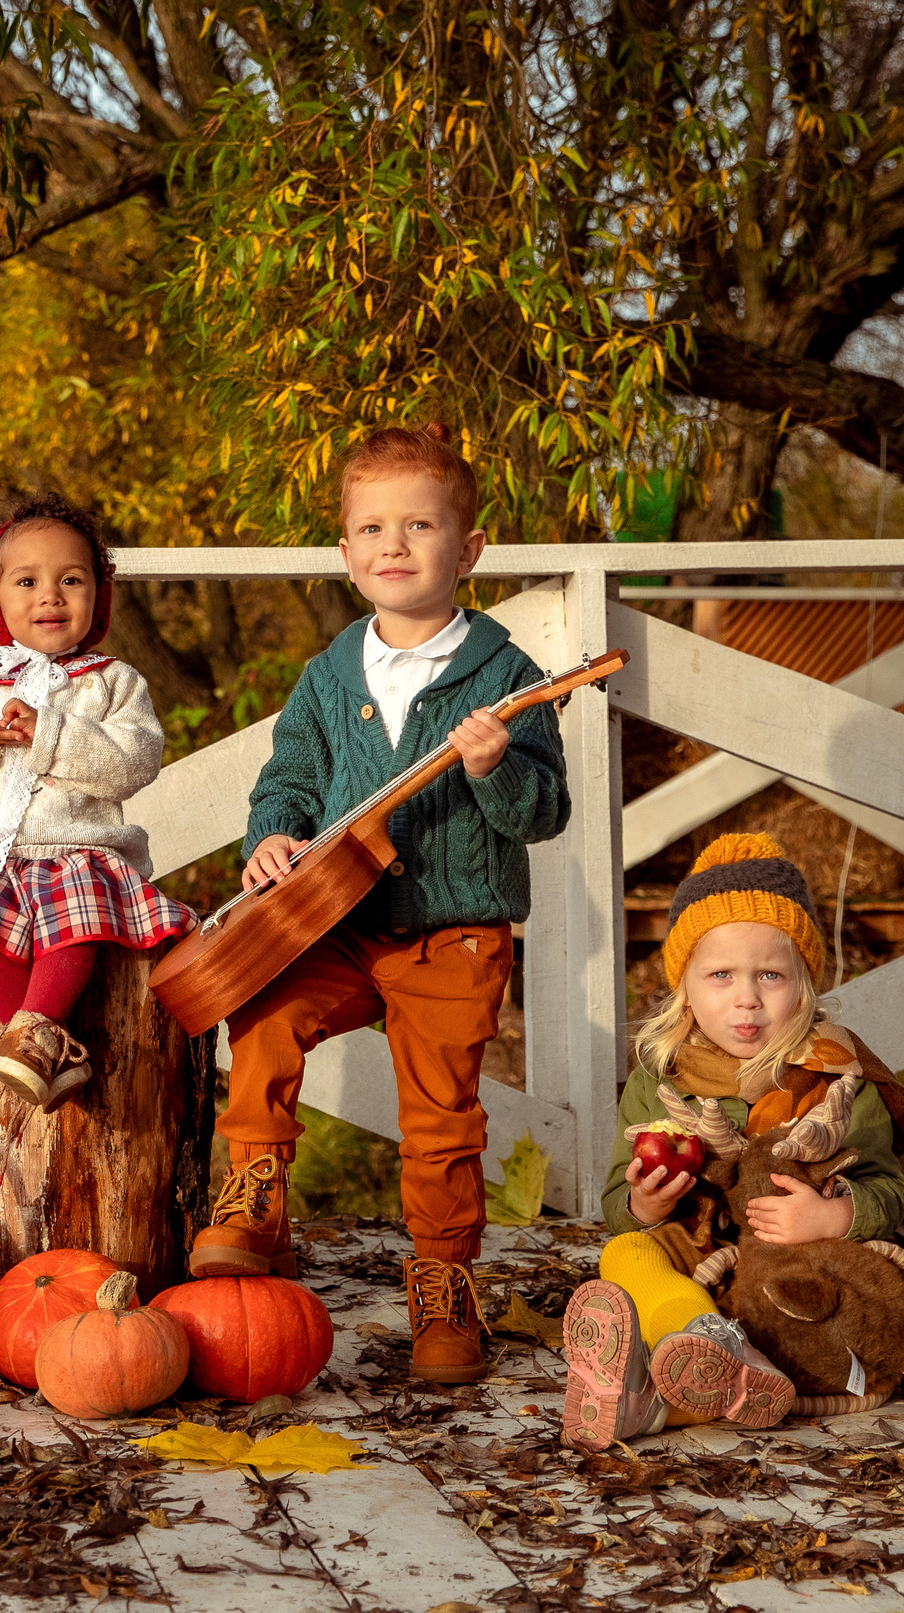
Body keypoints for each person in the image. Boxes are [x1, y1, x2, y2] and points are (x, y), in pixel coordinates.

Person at [190, 423, 569, 1386]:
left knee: (440, 1114)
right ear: (347, 554)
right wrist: (270, 837)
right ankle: (256, 1199)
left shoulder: (507, 676)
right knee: (263, 1013)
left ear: (468, 550)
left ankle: (443, 1287)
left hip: (456, 935)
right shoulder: (330, 674)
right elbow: (289, 781)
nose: (394, 544)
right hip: (342, 923)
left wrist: (492, 770)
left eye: (419, 524)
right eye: (372, 527)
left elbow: (544, 808)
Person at [560, 832, 904, 1448]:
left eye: (770, 974)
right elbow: (618, 1205)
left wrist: (832, 1215)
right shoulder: (659, 1081)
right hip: (703, 1271)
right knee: (626, 1256)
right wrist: (646, 1204)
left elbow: (891, 1187)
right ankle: (702, 1340)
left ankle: (655, 1400)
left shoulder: (836, 1078)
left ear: (804, 982)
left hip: (801, 1272)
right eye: (720, 975)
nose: (746, 998)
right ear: (684, 985)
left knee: (811, 1318)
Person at [0, 494, 196, 1108]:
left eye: (72, 580)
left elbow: (136, 762)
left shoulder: (113, 680)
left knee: (76, 918)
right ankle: (37, 1046)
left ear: (98, 597)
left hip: (80, 853)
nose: (50, 596)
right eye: (27, 581)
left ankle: (31, 1038)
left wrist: (51, 734)